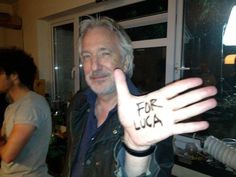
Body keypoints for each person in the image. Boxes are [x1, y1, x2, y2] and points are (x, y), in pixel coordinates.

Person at [63, 16, 217, 177]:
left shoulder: (149, 117)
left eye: (105, 53)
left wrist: (137, 151)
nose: (94, 66)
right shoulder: (79, 103)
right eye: (87, 56)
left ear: (126, 61)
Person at [0, 47, 52, 177]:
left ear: (14, 76)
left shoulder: (31, 105)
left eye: (0, 73)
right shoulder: (12, 107)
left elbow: (7, 155)